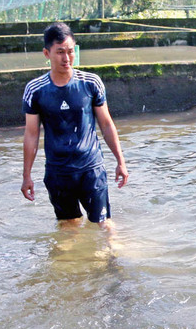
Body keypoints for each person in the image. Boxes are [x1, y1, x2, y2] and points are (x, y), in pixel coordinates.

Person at [21, 22, 128, 228]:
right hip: (58, 172)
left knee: (104, 224)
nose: (66, 58)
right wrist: (27, 176)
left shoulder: (91, 82)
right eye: (60, 52)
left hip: (91, 168)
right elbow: (31, 135)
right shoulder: (35, 90)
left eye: (70, 51)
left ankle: (113, 259)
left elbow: (106, 124)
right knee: (69, 228)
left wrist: (120, 161)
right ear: (46, 53)